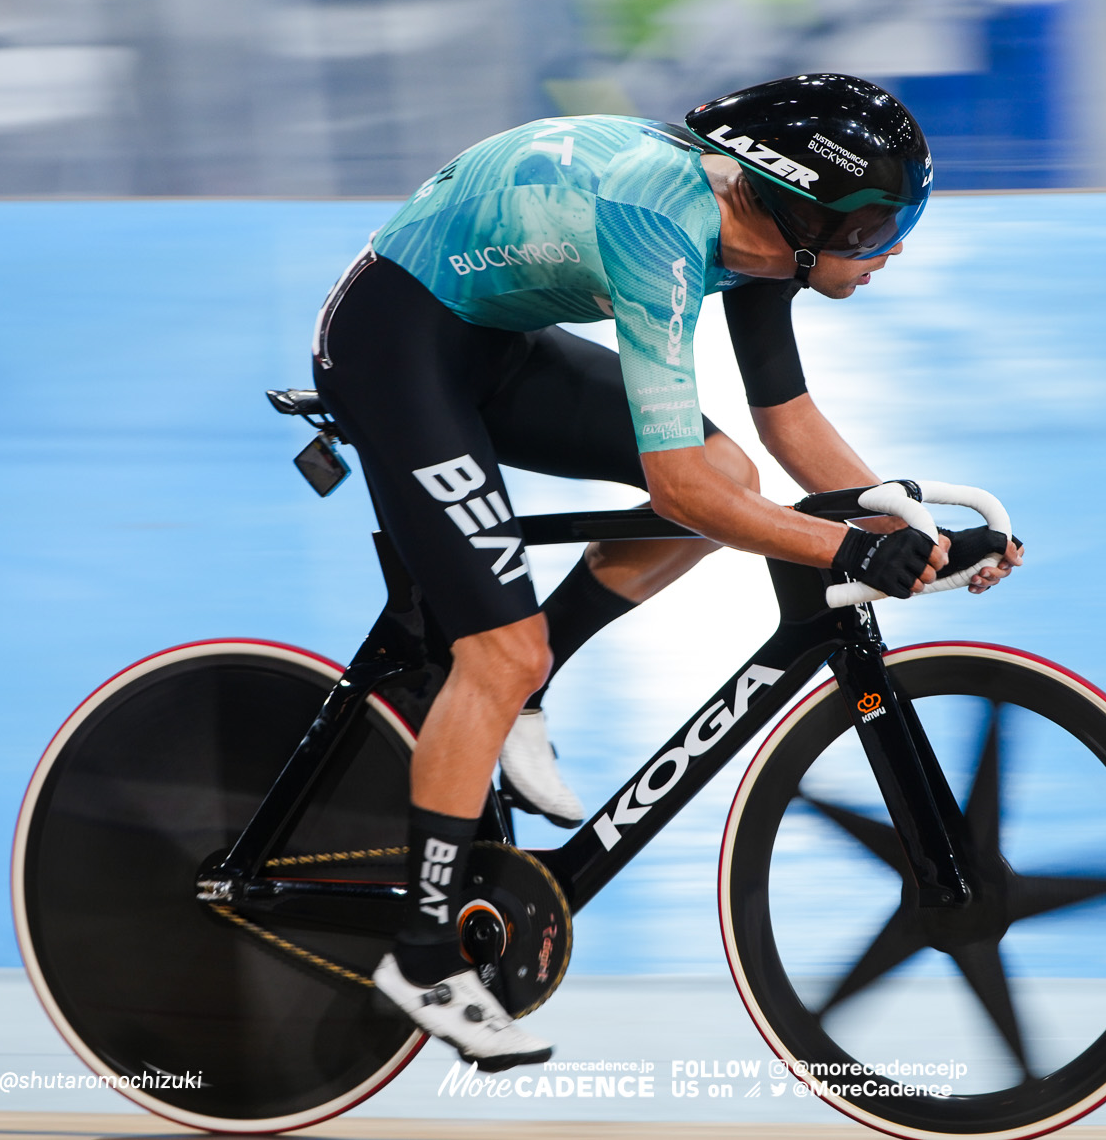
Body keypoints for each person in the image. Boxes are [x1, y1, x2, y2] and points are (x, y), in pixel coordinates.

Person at [310, 73, 1023, 1071]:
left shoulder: (770, 235)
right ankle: (423, 954)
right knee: (502, 644)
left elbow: (787, 428)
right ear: (804, 206)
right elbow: (678, 490)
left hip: (495, 339)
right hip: (399, 343)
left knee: (726, 475)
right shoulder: (661, 223)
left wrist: (914, 528)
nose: (891, 246)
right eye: (872, 224)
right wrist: (852, 548)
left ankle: (526, 683)